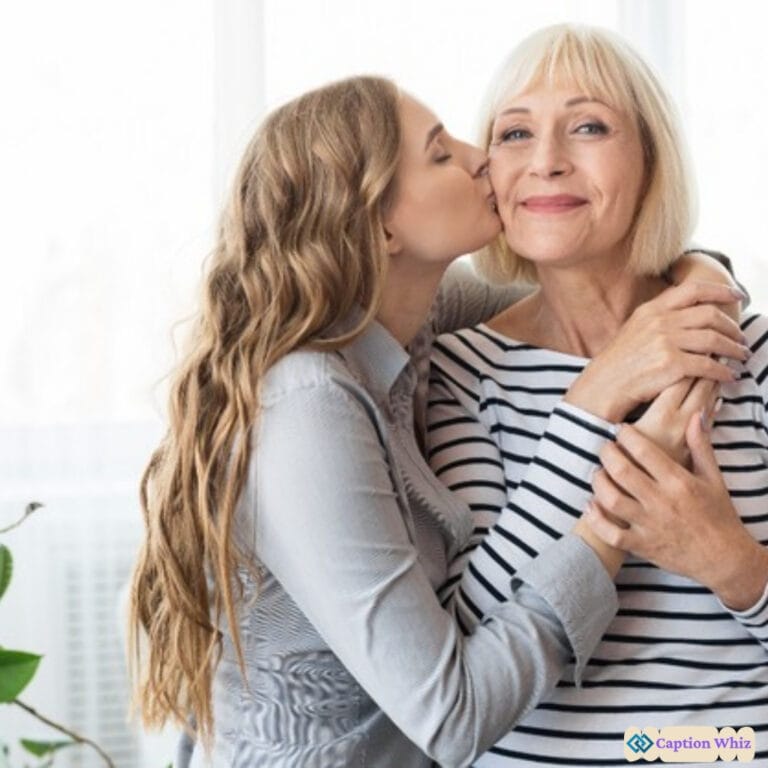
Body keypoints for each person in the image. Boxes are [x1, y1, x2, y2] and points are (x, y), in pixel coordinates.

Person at [129, 76, 743, 768]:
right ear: (382, 226)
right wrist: (610, 502)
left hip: (713, 748)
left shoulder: (412, 317)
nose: (480, 155)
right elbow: (451, 719)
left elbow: (588, 296)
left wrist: (699, 281)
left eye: (590, 128)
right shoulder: (307, 406)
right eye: (441, 153)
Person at [427, 24, 768, 767]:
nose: (546, 161)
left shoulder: (752, 352)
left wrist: (734, 563)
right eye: (514, 133)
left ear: (651, 159)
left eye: (588, 126)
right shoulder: (459, 372)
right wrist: (594, 400)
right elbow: (470, 645)